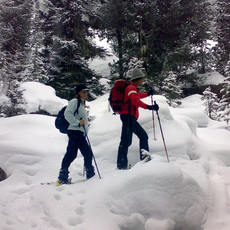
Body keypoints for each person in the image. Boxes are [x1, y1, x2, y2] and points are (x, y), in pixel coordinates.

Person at [117, 68, 159, 169]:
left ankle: (141, 160)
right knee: (127, 141)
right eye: (142, 79)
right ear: (138, 79)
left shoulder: (132, 88)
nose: (143, 81)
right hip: (128, 117)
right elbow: (135, 101)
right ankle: (122, 165)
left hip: (129, 117)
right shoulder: (131, 88)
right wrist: (149, 107)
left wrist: (147, 94)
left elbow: (138, 96)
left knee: (136, 138)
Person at [57, 84, 95, 184]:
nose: (85, 93)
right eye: (83, 92)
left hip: (78, 132)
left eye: (86, 91)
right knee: (80, 153)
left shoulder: (81, 104)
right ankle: (90, 174)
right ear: (78, 93)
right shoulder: (75, 101)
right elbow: (67, 114)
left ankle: (63, 175)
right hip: (74, 131)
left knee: (75, 153)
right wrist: (77, 123)